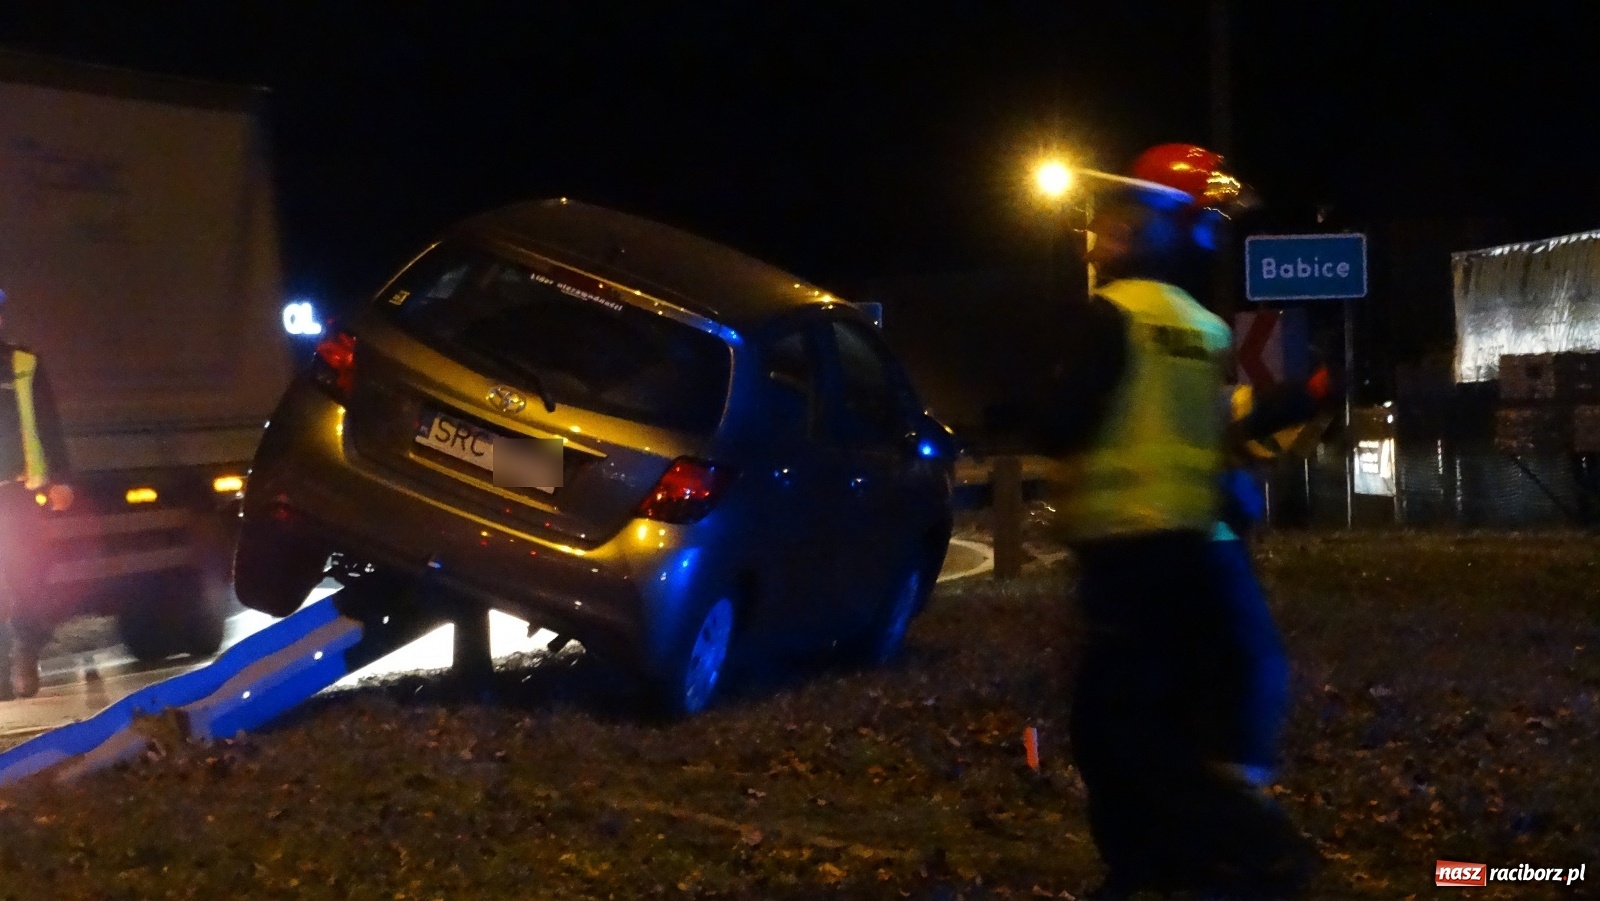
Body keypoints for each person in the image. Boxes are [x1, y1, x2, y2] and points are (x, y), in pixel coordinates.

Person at [1027, 146, 1312, 898]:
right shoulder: (1207, 330)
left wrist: (1040, 405)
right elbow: (1219, 429)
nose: (1094, 242)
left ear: (1145, 230)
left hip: (1123, 554)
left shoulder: (1113, 316)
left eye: (1109, 229)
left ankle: (1235, 853)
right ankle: (1180, 864)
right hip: (1193, 549)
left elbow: (1063, 424)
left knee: (1114, 731)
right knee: (1168, 718)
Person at [0, 287, 75, 701]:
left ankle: (27, 648)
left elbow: (47, 422)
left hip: (16, 493)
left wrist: (62, 477)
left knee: (29, 577)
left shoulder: (23, 364)